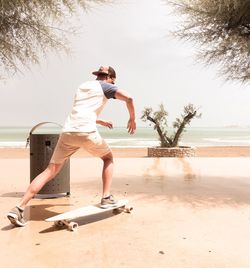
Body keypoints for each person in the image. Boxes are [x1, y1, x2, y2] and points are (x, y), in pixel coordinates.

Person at [7, 66, 136, 227]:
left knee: (50, 170)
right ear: (110, 78)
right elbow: (129, 98)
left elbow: (81, 111)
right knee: (108, 158)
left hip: (68, 132)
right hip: (86, 132)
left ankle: (19, 208)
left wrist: (100, 121)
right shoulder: (107, 86)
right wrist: (132, 119)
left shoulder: (82, 87)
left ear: (97, 75)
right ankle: (106, 197)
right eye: (112, 81)